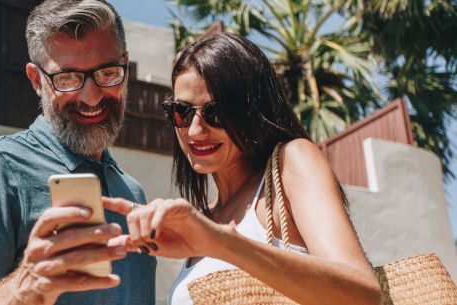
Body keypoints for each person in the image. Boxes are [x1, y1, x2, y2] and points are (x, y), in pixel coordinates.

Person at [105, 33, 382, 305]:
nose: (195, 129)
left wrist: (223, 243)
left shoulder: (291, 162)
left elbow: (363, 295)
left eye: (216, 112)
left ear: (252, 110)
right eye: (182, 111)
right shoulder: (206, 217)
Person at [0, 1, 156, 304]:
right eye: (67, 78)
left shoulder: (133, 192)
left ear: (126, 70)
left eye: (106, 73)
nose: (91, 97)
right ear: (37, 81)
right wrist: (25, 287)